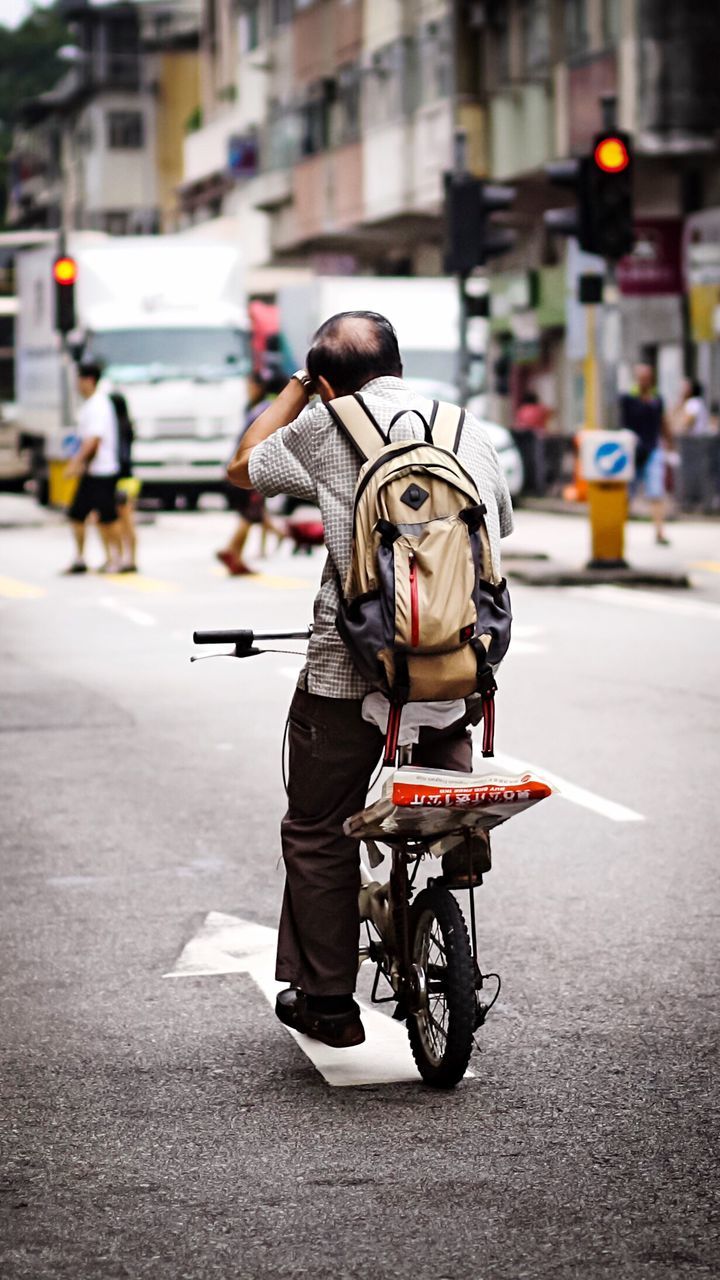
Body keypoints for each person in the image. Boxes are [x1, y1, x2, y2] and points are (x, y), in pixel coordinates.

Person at [227, 311, 513, 1050]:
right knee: (447, 797)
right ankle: (453, 874)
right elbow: (500, 527)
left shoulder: (324, 428)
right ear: (399, 364)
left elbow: (243, 465)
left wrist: (300, 391)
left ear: (326, 383)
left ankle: (328, 1001)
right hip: (459, 663)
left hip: (350, 667)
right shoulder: (463, 427)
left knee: (320, 826)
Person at [217, 371, 286, 575]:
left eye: (250, 386)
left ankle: (235, 554)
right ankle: (232, 550)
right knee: (249, 513)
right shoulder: (257, 409)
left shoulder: (261, 409)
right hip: (246, 468)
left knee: (251, 513)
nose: (247, 390)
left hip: (249, 466)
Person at [64, 362, 122, 574]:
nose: (77, 385)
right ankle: (82, 557)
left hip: (102, 471)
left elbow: (94, 440)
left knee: (107, 517)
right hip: (93, 471)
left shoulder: (98, 405)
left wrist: (76, 463)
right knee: (78, 514)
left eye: (79, 380)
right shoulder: (92, 404)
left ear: (88, 380)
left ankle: (116, 558)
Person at [619, 362, 673, 546]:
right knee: (627, 493)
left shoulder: (657, 399)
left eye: (647, 377)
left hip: (653, 450)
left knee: (656, 492)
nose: (644, 381)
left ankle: (659, 532)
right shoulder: (628, 398)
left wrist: (670, 444)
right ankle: (618, 531)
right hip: (632, 451)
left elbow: (663, 422)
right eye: (641, 377)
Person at [110, 390, 140, 574]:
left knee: (122, 521)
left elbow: (121, 455)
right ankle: (130, 558)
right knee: (128, 521)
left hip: (121, 478)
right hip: (130, 477)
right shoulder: (128, 425)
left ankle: (123, 558)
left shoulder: (118, 427)